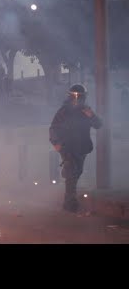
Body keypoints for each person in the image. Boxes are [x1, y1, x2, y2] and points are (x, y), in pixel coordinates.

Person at [49, 84, 102, 213]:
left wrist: (91, 115)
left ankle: (70, 197)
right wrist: (56, 142)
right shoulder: (64, 111)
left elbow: (98, 125)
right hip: (67, 147)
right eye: (74, 96)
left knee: (77, 172)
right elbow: (54, 128)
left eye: (79, 96)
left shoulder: (86, 111)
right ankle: (70, 204)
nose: (76, 99)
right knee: (72, 173)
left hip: (82, 147)